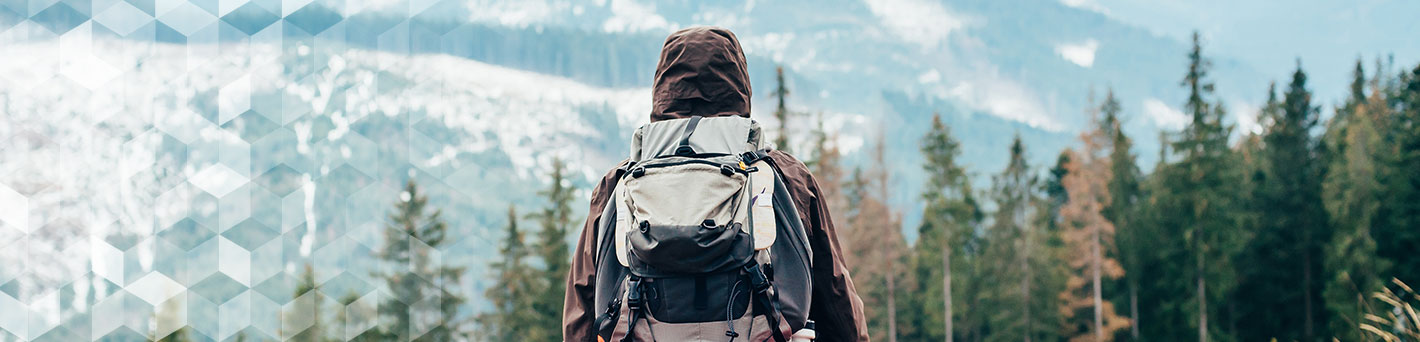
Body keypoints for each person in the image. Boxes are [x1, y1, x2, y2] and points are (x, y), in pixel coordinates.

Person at [562, 26, 869, 342]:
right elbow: (834, 293)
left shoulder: (618, 184)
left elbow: (582, 306)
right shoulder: (787, 176)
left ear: (662, 91)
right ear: (740, 87)